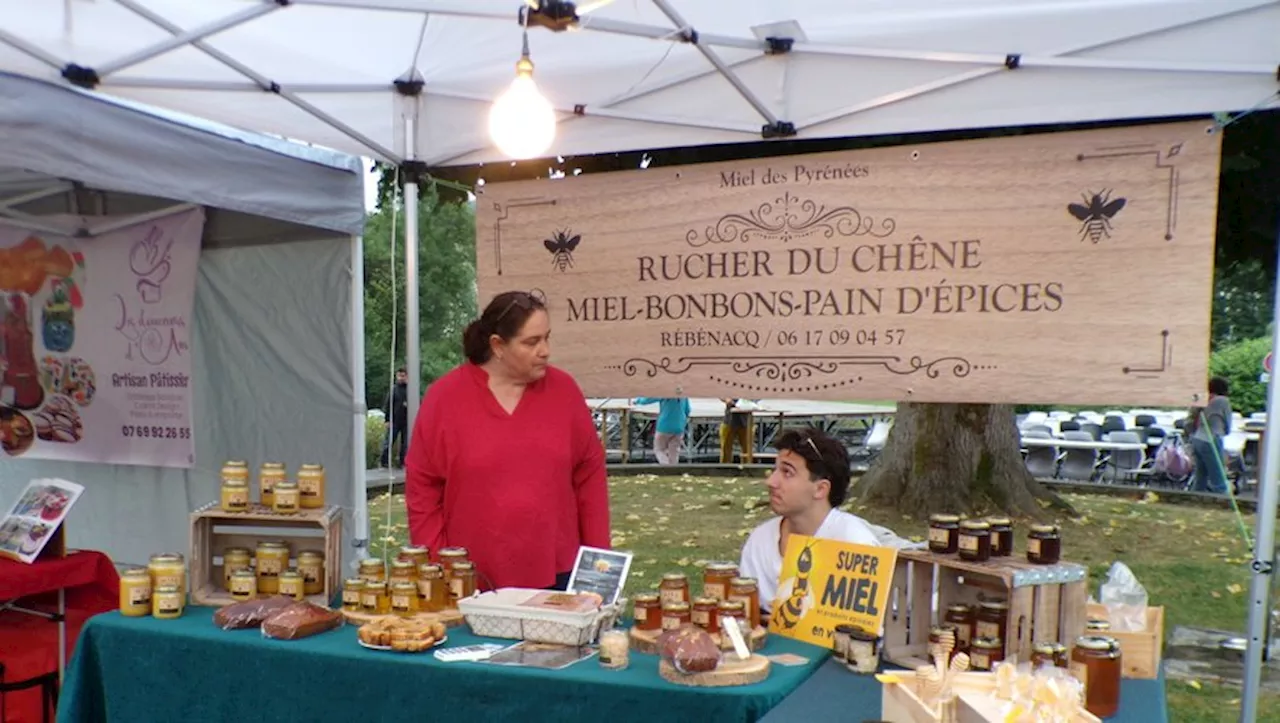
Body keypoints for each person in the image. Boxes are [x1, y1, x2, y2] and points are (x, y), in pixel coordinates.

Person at [404, 291, 610, 591]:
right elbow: (422, 489)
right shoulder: (445, 398)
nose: (545, 351)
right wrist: (439, 568)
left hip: (558, 578)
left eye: (547, 338)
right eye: (531, 342)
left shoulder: (564, 392)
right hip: (469, 581)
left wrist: (599, 572)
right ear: (498, 345)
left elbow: (590, 479)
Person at [740, 427, 913, 618]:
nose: (771, 481)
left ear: (820, 489)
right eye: (775, 470)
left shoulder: (854, 544)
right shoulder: (760, 540)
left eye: (787, 472)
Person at [1189, 376, 1232, 494]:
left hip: (1197, 438)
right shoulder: (1223, 401)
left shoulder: (1202, 399)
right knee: (1217, 475)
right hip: (1212, 438)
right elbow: (1227, 421)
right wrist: (1226, 432)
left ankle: (1194, 499)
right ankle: (1223, 501)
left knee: (1200, 475)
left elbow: (1191, 418)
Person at [634, 396, 691, 465]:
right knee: (674, 452)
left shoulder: (664, 392)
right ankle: (673, 470)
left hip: (664, 425)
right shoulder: (683, 395)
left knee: (659, 449)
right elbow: (688, 410)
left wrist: (637, 401)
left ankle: (665, 466)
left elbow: (647, 400)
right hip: (679, 426)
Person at [380, 367, 409, 468]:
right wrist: (387, 420)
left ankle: (403, 462)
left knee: (405, 443)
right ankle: (384, 462)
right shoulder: (394, 390)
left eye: (403, 376)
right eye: (399, 376)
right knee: (389, 441)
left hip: (407, 421)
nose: (401, 378)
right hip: (395, 420)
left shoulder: (410, 390)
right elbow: (388, 405)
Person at [720, 398, 753, 463]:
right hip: (729, 420)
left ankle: (747, 469)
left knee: (747, 449)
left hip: (746, 421)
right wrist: (726, 399)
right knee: (725, 449)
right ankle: (725, 468)